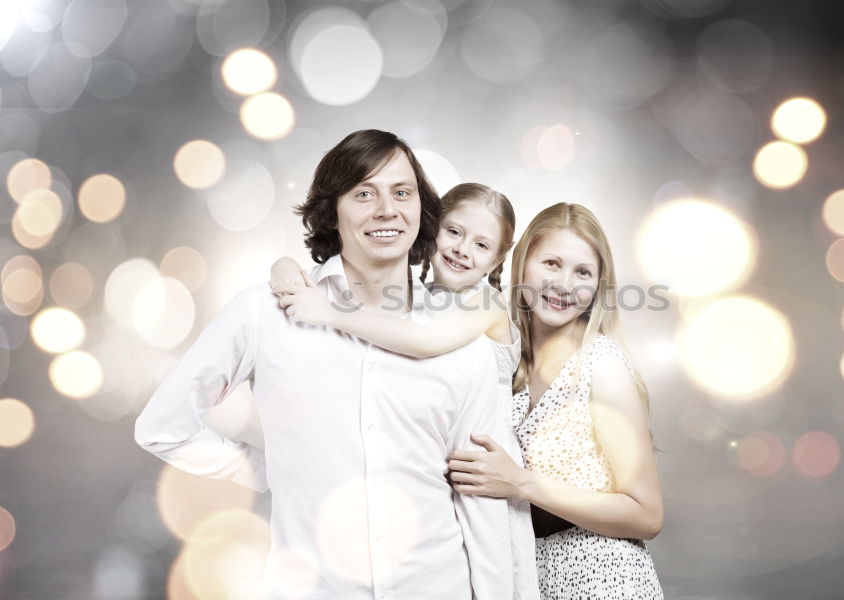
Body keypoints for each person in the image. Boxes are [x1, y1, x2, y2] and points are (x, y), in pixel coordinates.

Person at [134, 130, 524, 599]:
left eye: (402, 192)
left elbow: (480, 500)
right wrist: (265, 470)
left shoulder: (463, 341)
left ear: (422, 209)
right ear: (332, 211)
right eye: (364, 193)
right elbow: (163, 426)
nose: (387, 209)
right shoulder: (265, 312)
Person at [269, 182, 539, 599]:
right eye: (454, 232)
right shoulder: (417, 295)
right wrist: (284, 265)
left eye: (482, 245)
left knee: (492, 575)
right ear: (433, 227)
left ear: (498, 259)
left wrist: (331, 313)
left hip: (482, 464)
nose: (462, 249)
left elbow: (423, 342)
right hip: (433, 458)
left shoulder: (487, 304)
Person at [447, 203, 665, 599]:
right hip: (528, 578)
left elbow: (647, 514)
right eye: (551, 263)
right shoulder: (503, 357)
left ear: (598, 284)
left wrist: (520, 482)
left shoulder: (601, 366)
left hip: (604, 582)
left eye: (582, 272)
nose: (564, 284)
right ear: (523, 262)